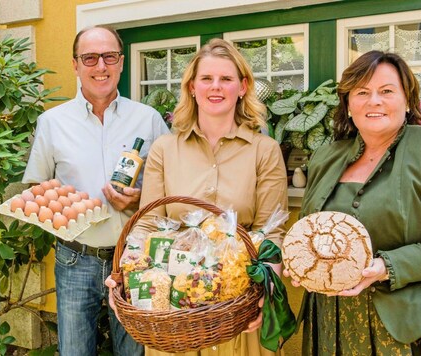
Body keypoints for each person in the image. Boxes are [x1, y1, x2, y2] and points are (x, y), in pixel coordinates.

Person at [284, 50, 421, 355]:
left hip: (414, 326)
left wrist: (386, 267)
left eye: (387, 91)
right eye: (362, 92)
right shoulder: (327, 156)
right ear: (349, 105)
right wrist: (302, 261)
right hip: (334, 323)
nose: (373, 100)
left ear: (408, 101)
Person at [106, 38, 291, 355]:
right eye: (206, 78)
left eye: (226, 79)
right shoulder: (166, 148)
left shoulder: (265, 150)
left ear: (243, 86)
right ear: (192, 87)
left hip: (239, 304)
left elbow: (271, 232)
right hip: (176, 312)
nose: (215, 87)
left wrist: (266, 291)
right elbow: (149, 223)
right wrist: (125, 270)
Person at [22, 25, 170, 355]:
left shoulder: (149, 120)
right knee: (75, 350)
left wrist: (139, 200)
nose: (100, 66)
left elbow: (169, 188)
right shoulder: (52, 122)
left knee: (134, 351)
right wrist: (61, 206)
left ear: (120, 62)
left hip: (135, 258)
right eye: (90, 58)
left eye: (109, 57)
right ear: (75, 65)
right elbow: (36, 187)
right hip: (75, 257)